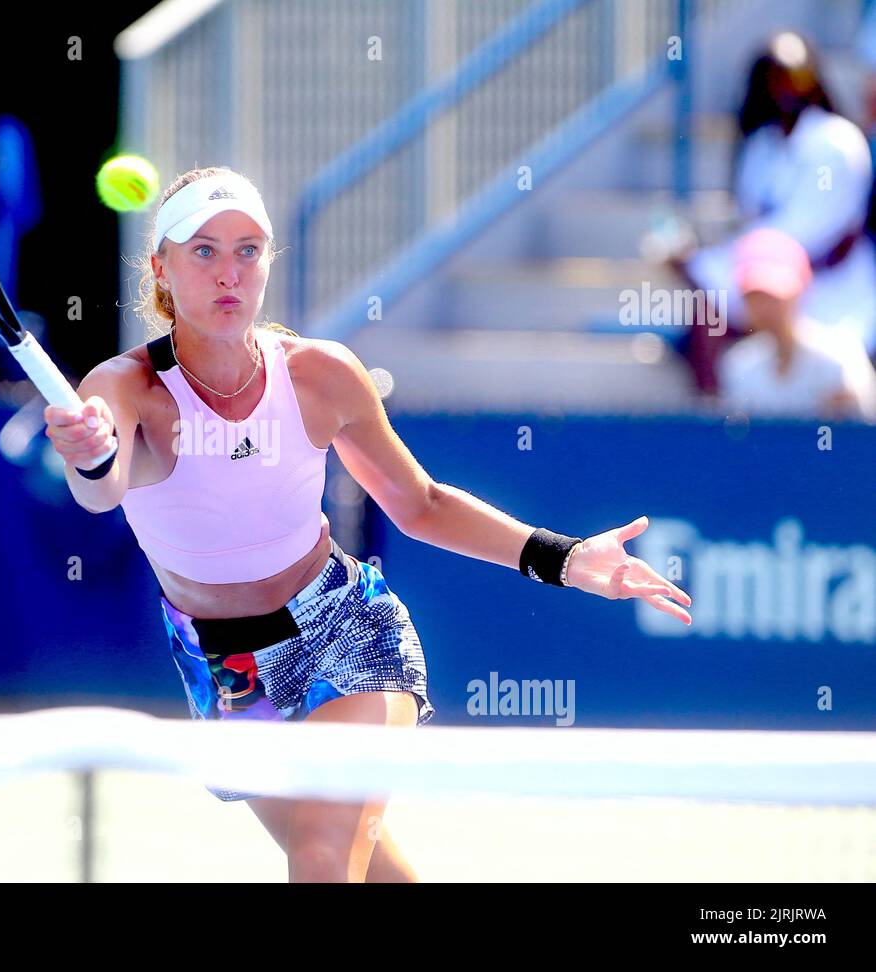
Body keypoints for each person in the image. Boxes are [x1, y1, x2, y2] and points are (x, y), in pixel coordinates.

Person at [44, 166, 693, 883]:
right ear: (162, 267)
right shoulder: (122, 388)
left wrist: (564, 558)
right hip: (227, 671)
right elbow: (100, 493)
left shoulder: (322, 376)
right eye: (204, 251)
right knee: (365, 870)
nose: (229, 273)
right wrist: (92, 455)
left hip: (347, 631)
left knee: (323, 861)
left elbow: (421, 505)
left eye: (248, 250)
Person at [673, 31, 876, 391]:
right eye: (775, 80)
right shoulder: (761, 146)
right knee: (706, 300)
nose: (786, 91)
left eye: (794, 78)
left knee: (840, 376)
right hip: (766, 270)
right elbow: (753, 218)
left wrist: (735, 257)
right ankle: (713, 414)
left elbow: (809, 230)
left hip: (834, 284)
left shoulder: (836, 140)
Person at [719, 228, 876, 421]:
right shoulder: (738, 365)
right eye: (755, 297)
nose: (765, 307)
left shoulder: (840, 357)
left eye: (773, 296)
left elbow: (862, 437)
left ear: (799, 290)